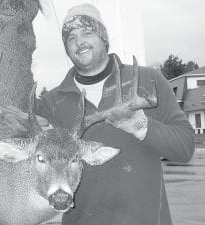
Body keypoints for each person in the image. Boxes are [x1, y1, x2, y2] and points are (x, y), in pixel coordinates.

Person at [37, 3, 195, 225]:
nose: (79, 41)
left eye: (87, 32)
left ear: (103, 37)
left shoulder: (147, 80)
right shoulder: (51, 102)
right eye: (70, 38)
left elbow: (185, 148)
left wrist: (141, 125)